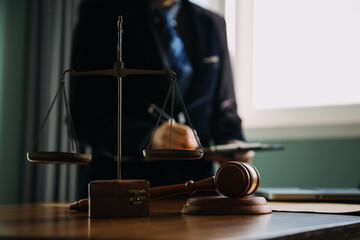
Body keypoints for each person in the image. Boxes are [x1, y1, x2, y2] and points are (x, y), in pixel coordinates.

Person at [70, 0, 254, 199]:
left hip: (199, 194)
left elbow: (224, 108)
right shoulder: (100, 13)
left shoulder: (212, 23)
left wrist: (232, 143)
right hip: (121, 193)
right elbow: (82, 116)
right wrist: (150, 138)